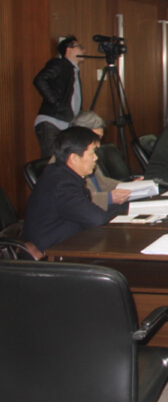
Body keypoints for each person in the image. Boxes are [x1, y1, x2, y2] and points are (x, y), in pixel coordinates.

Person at [21, 127, 123, 258]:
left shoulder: (61, 174)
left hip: (64, 246)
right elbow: (97, 219)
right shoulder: (62, 184)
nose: (96, 157)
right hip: (51, 256)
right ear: (74, 158)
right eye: (92, 153)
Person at [32, 36, 86, 157]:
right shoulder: (60, 64)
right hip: (52, 122)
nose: (84, 50)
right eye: (80, 47)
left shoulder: (73, 71)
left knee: (64, 160)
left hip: (66, 123)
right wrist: (55, 102)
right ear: (68, 49)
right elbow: (40, 79)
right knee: (52, 160)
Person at [67, 111, 132, 210]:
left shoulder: (89, 155)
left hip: (102, 208)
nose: (98, 145)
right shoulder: (66, 160)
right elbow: (77, 201)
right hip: (91, 211)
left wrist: (129, 186)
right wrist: (109, 198)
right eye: (95, 138)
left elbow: (102, 182)